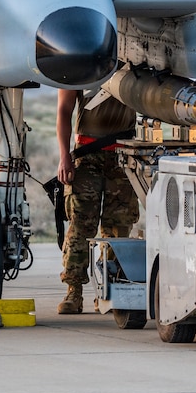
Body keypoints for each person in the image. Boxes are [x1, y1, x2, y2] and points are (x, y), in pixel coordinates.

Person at [55, 88, 139, 314]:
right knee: (81, 225)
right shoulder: (83, 63)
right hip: (87, 153)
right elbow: (63, 111)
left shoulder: (131, 64)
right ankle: (74, 290)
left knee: (118, 227)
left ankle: (109, 291)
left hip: (123, 154)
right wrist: (64, 156)